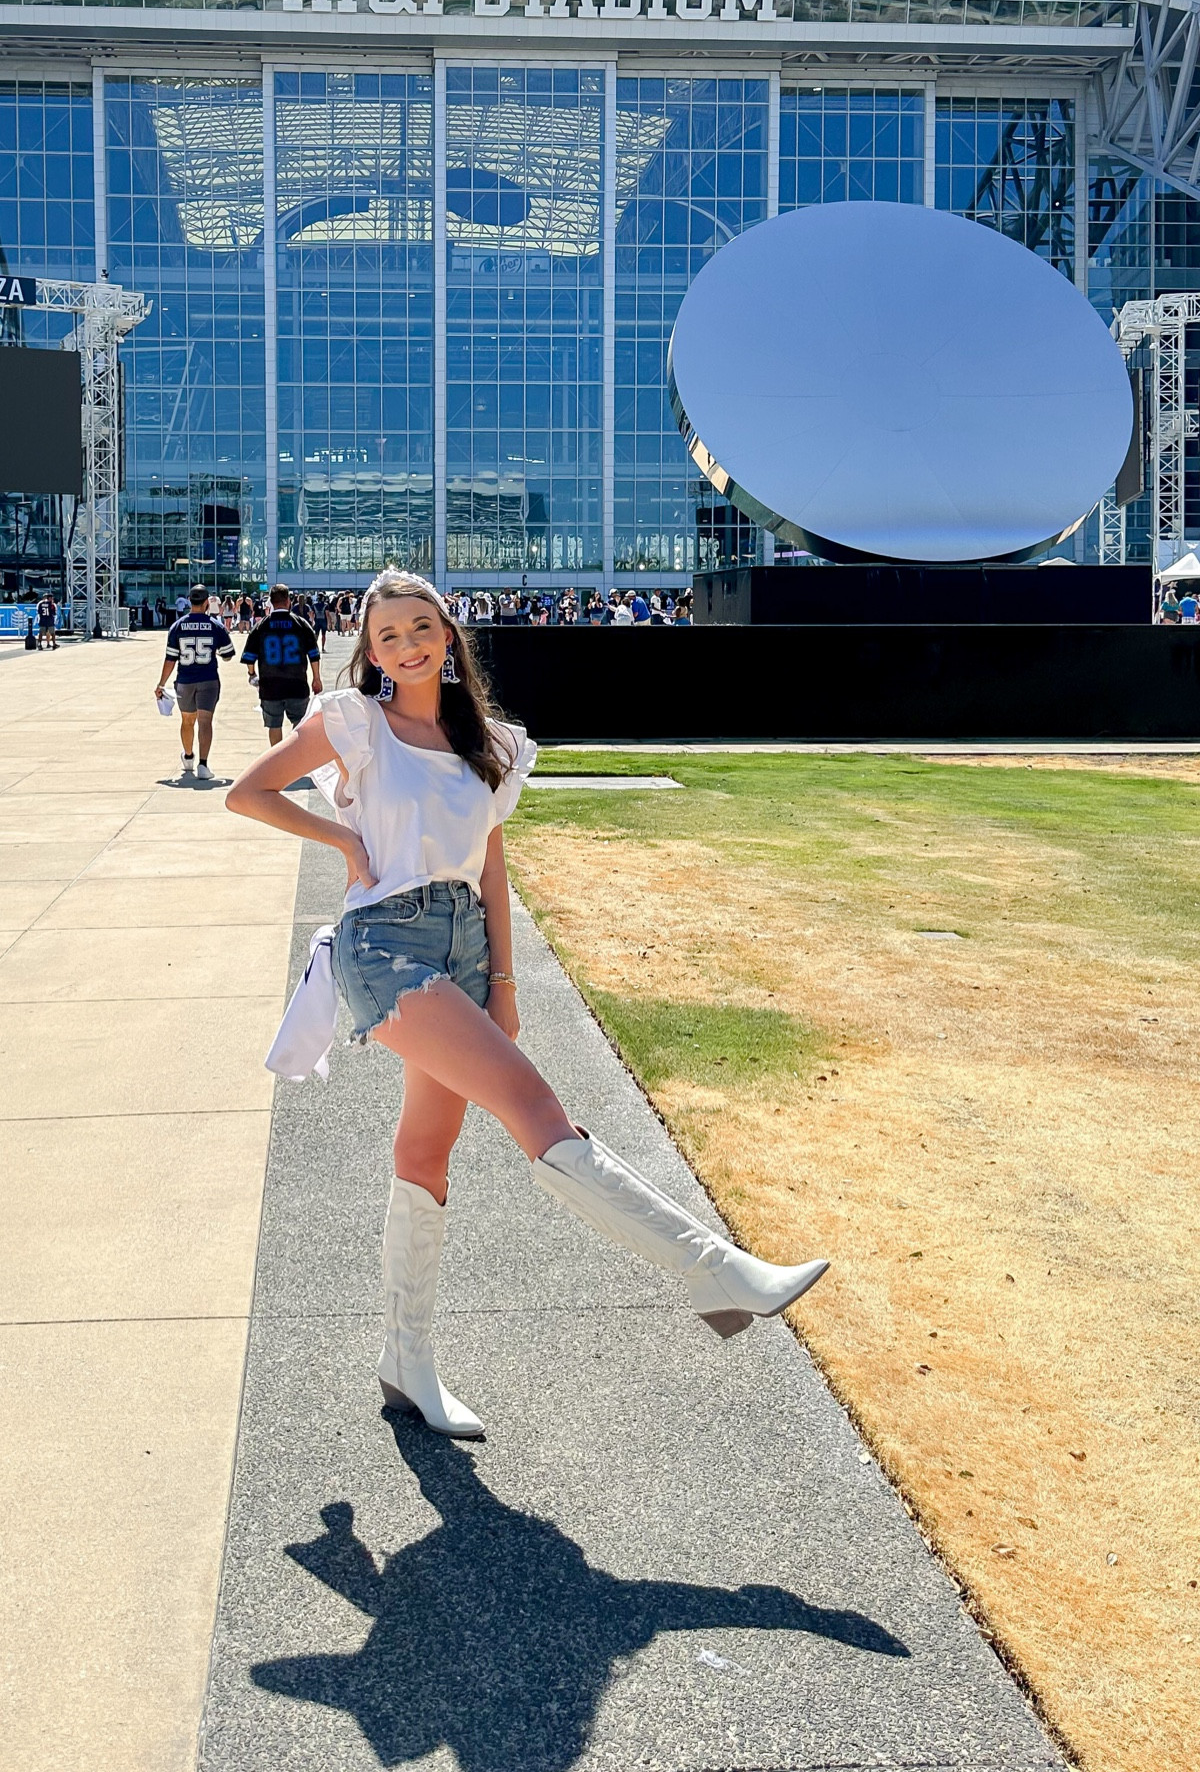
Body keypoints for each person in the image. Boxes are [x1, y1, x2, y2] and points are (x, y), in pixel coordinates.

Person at [225, 567, 828, 1440]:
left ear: (448, 634)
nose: (407, 645)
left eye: (421, 627)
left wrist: (503, 985)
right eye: (388, 635)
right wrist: (345, 841)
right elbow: (248, 792)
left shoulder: (492, 743)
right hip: (386, 945)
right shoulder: (355, 721)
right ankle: (716, 1271)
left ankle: (405, 1362)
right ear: (372, 651)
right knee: (536, 1107)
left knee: (426, 1150)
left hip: (465, 947)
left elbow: (493, 873)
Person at [154, 583, 235, 779]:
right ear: (207, 602)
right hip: (208, 679)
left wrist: (161, 684)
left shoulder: (177, 626)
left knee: (187, 720)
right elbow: (228, 654)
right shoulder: (216, 626)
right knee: (205, 721)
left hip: (185, 680)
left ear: (190, 601)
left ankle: (189, 756)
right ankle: (203, 765)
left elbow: (170, 659)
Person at [243, 583, 324, 745]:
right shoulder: (301, 624)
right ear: (288, 601)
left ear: (271, 602)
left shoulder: (261, 626)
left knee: (274, 725)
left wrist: (252, 674)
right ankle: (296, 755)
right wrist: (316, 678)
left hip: (270, 685)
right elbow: (314, 655)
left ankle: (277, 755)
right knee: (300, 725)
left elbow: (249, 657)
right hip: (297, 683)